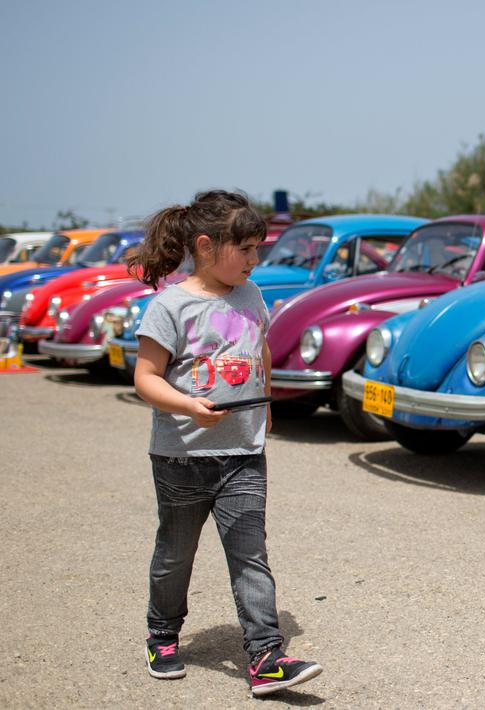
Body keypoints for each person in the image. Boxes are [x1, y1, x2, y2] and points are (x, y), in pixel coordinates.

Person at [129, 190, 323, 697]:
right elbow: (145, 378)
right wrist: (189, 405)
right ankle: (163, 634)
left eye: (258, 249)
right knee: (176, 554)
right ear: (206, 246)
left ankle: (265, 656)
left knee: (250, 555)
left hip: (243, 455)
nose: (255, 260)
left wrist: (267, 406)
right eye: (246, 249)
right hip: (181, 457)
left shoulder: (251, 294)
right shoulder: (170, 305)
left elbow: (260, 350)